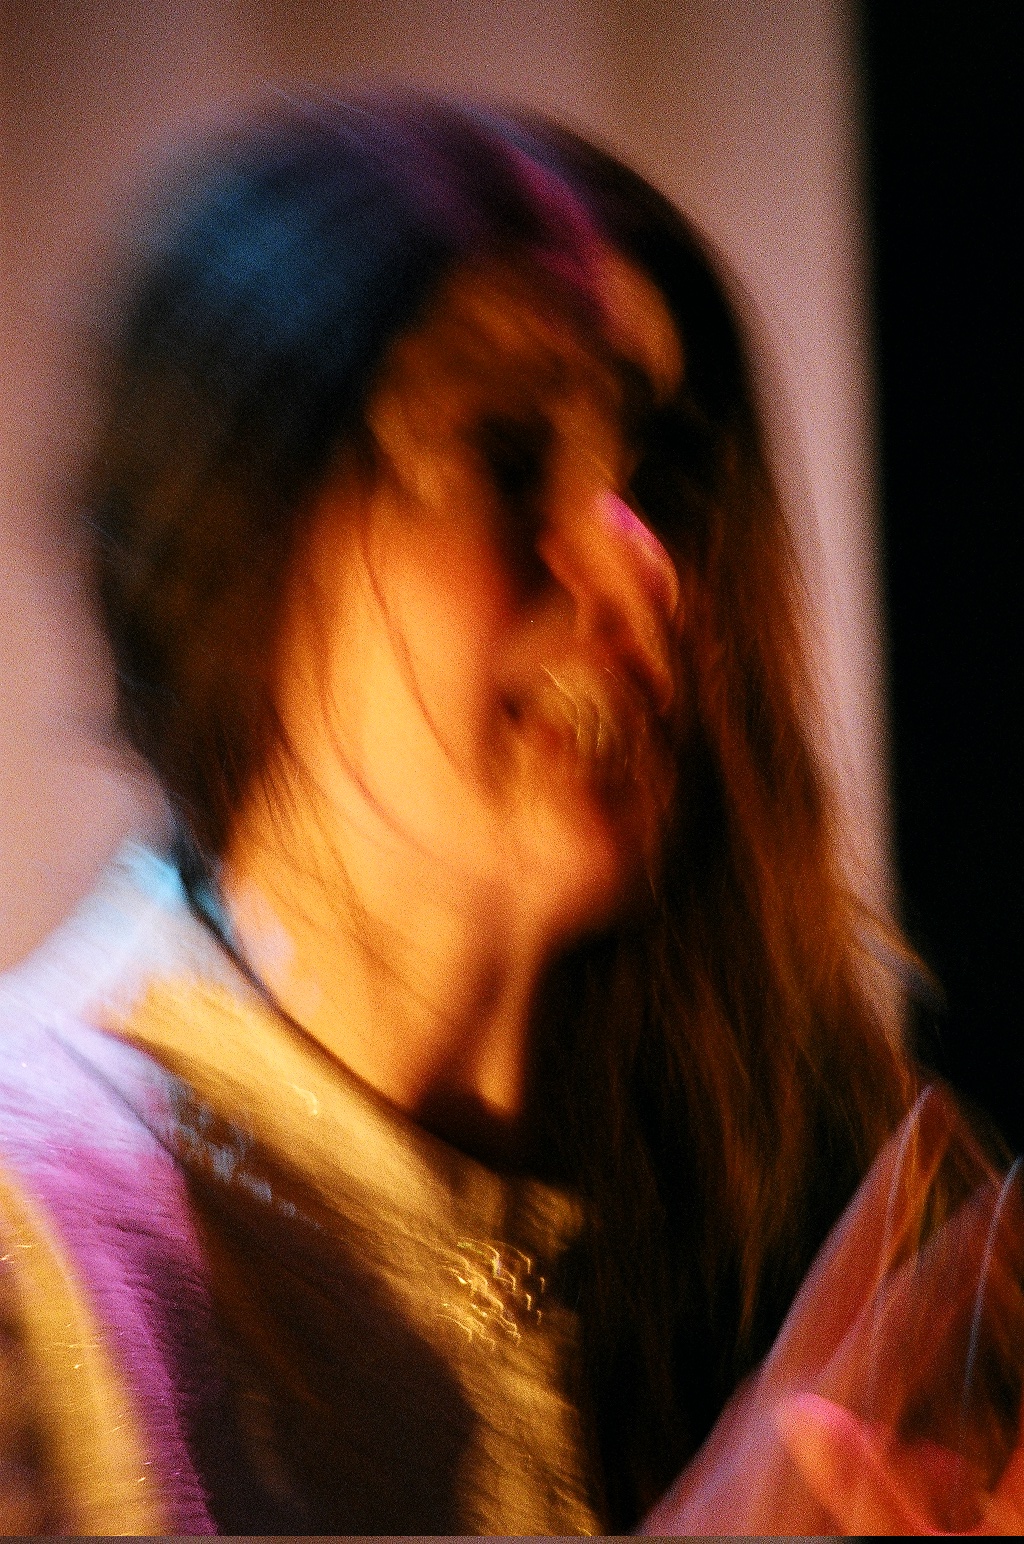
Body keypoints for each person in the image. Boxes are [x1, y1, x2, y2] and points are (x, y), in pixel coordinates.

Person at [0, 90, 1020, 1536]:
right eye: (503, 450)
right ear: (239, 531)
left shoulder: (780, 1198)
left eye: (655, 473)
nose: (642, 568)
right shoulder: (36, 1236)